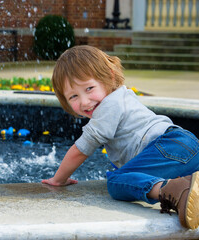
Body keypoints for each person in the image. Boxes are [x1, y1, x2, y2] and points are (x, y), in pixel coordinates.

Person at [42, 45, 199, 230]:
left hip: (169, 147)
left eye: (89, 88)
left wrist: (58, 179)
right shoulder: (122, 96)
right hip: (185, 147)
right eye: (74, 96)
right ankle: (189, 186)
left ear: (109, 76)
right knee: (130, 174)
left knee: (117, 182)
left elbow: (81, 150)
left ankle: (173, 191)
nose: (84, 101)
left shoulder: (108, 106)